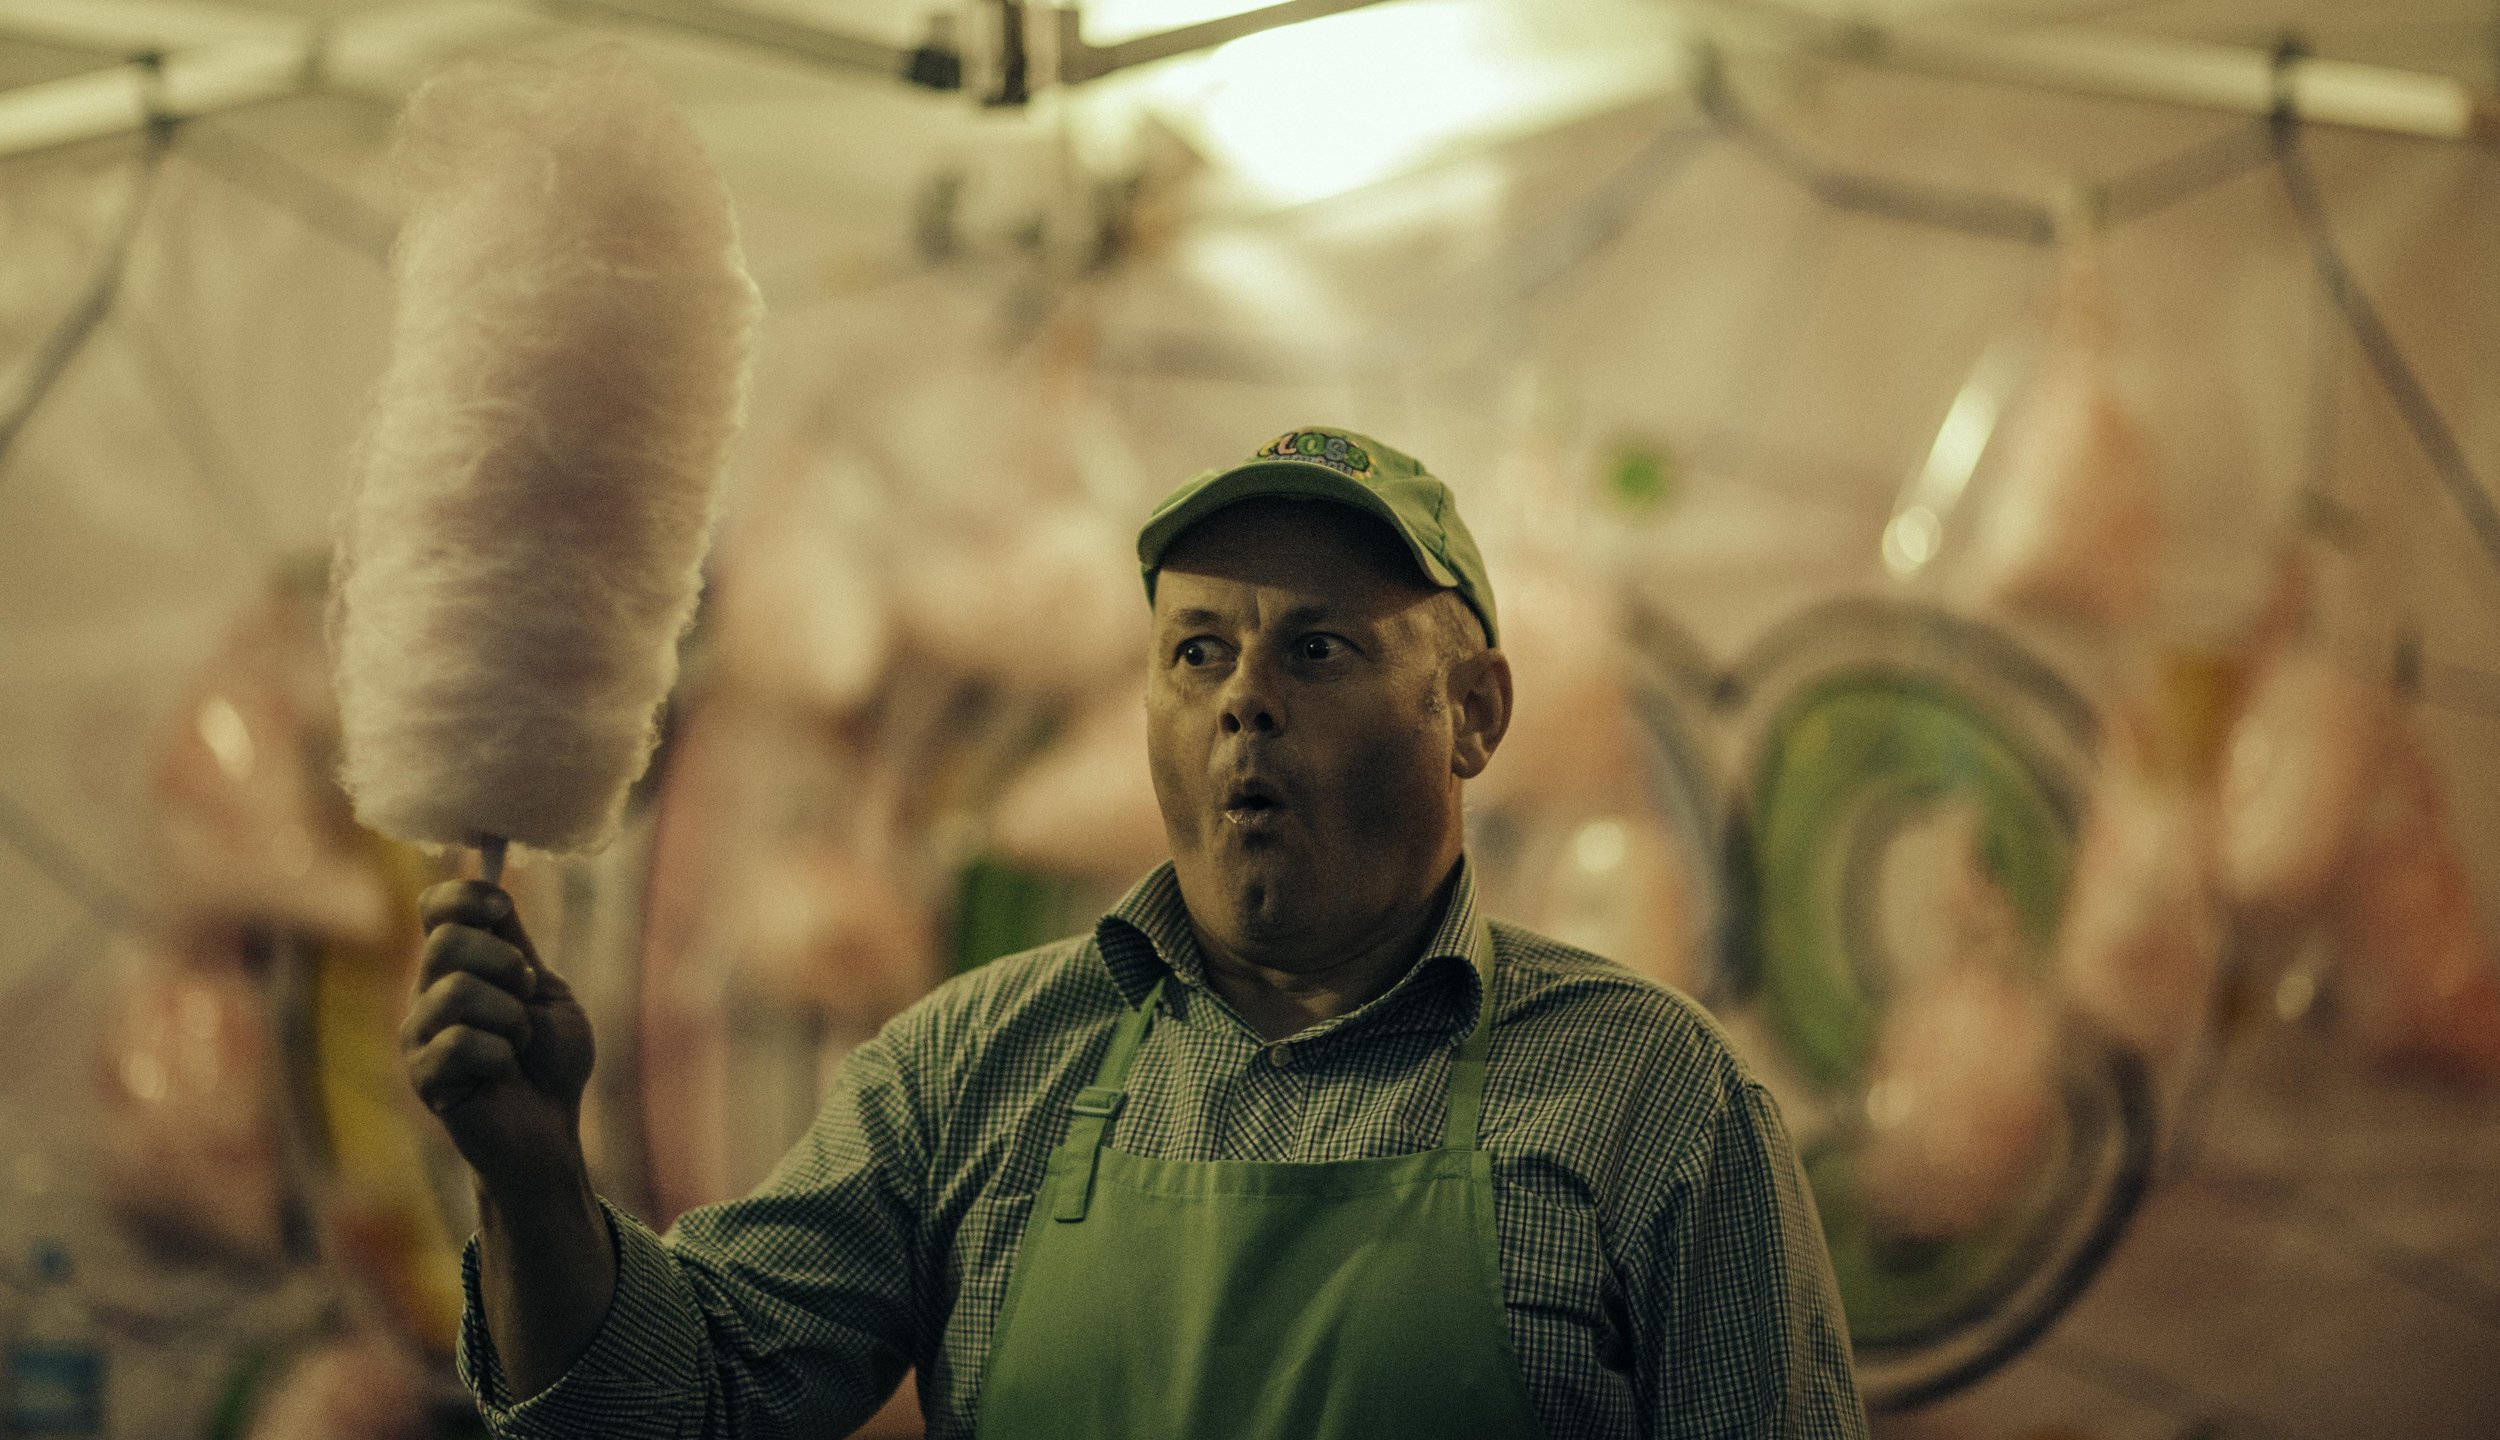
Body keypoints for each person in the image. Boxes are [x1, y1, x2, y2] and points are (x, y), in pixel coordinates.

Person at [405, 427, 1868, 1439]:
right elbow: (664, 1413)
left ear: (1474, 711)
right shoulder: (972, 1071)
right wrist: (533, 1180)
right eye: (1196, 651)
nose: (1245, 697)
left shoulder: (1653, 1101)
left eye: (1318, 647)